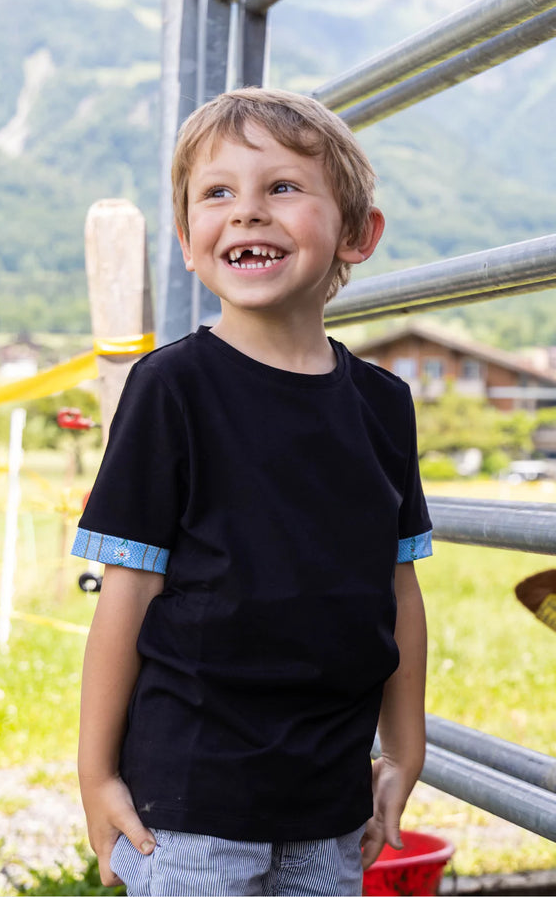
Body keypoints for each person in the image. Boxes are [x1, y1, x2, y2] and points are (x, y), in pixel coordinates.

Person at [72, 86, 432, 897]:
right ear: (189, 242)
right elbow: (126, 594)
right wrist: (96, 776)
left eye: (282, 187)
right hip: (193, 797)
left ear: (357, 233)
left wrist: (403, 755)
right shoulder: (171, 389)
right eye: (218, 194)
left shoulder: (384, 405)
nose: (247, 212)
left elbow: (398, 587)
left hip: (331, 797)